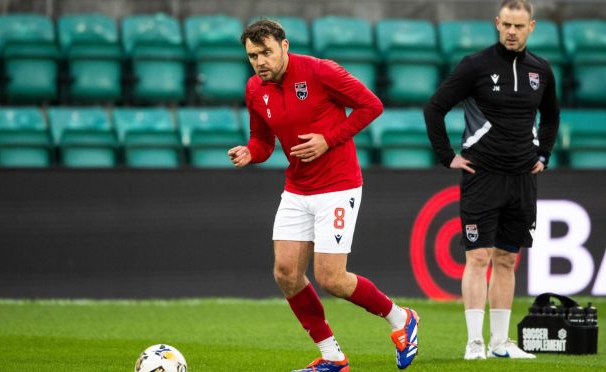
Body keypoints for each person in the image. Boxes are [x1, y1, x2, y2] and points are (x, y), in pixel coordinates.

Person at [229, 19, 419, 371]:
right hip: (297, 188)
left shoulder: (319, 71)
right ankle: (333, 357)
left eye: (266, 52)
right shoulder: (255, 89)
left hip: (338, 185)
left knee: (331, 278)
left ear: (284, 46)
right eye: (253, 56)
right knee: (286, 273)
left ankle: (402, 318)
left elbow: (371, 105)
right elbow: (263, 142)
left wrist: (328, 140)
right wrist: (250, 153)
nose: (260, 62)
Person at [424, 0, 559, 360]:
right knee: (478, 256)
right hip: (481, 175)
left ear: (532, 27)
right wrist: (446, 156)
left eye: (520, 26)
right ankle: (474, 343)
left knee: (506, 260)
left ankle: (500, 343)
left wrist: (543, 154)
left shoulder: (541, 71)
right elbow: (435, 107)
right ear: (497, 24)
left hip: (522, 178)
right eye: (507, 25)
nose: (512, 32)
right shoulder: (475, 66)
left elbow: (551, 116)